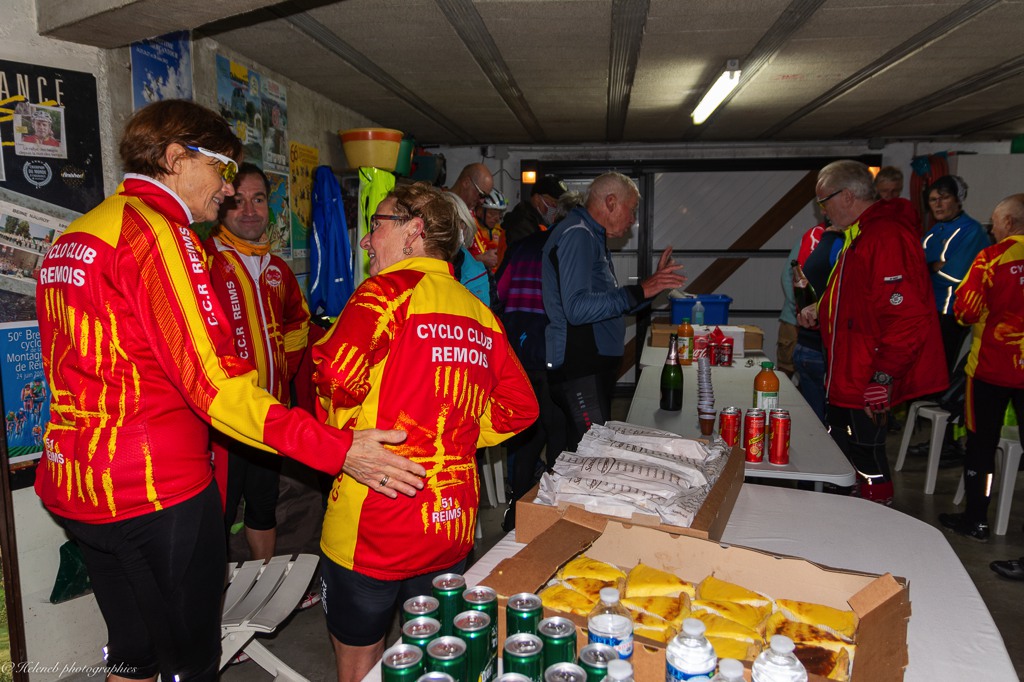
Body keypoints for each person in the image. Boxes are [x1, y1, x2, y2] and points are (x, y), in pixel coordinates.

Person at [33, 100, 422, 682]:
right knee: (189, 666)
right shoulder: (159, 235)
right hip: (153, 490)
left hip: (77, 483)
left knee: (132, 653)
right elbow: (215, 387)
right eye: (221, 167)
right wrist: (339, 449)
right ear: (175, 158)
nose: (229, 187)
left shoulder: (79, 232)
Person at [312, 182, 538, 682]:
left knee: (360, 667)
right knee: (438, 659)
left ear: (412, 230)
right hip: (450, 522)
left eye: (376, 225)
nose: (367, 240)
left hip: (374, 522)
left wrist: (340, 439)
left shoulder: (383, 295)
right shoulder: (479, 313)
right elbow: (520, 408)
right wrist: (455, 434)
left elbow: (333, 379)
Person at [800, 160, 946, 504]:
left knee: (868, 462)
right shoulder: (860, 235)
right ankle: (850, 520)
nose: (822, 210)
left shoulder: (885, 237)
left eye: (824, 201)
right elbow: (860, 298)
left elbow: (907, 315)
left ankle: (876, 522)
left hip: (866, 376)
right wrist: (821, 308)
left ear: (847, 196)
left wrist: (883, 376)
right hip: (847, 375)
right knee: (847, 461)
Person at [203, 163, 309, 561]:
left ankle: (264, 579)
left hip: (270, 416)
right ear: (221, 205)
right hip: (223, 423)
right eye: (238, 201)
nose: (249, 211)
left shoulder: (277, 269)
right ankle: (212, 595)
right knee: (218, 511)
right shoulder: (204, 262)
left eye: (259, 199)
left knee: (264, 505)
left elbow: (298, 321)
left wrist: (282, 370)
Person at [543, 172, 686, 451]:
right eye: (631, 209)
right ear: (610, 202)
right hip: (580, 370)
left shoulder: (591, 236)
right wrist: (640, 290)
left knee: (579, 456)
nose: (632, 219)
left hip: (591, 370)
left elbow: (608, 304)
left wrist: (649, 289)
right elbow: (577, 309)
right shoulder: (578, 234)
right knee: (593, 458)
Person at [938, 194, 1024, 542]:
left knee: (981, 446)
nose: (991, 230)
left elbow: (965, 312)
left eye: (995, 223)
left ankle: (977, 520)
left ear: (1009, 223)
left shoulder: (991, 258)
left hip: (991, 369)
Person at [495, 191, 582, 531]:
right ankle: (550, 515)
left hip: (518, 351)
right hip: (551, 350)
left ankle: (516, 512)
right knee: (556, 430)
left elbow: (500, 292)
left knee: (528, 433)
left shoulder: (520, 246)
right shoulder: (566, 249)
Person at [503, 173, 568, 245]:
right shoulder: (521, 224)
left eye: (559, 205)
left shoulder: (541, 222)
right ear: (537, 199)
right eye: (553, 203)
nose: (556, 209)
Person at [471, 187, 508, 273]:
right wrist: (480, 259)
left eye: (499, 214)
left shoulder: (500, 231)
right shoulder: (468, 229)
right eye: (492, 213)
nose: (497, 219)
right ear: (479, 210)